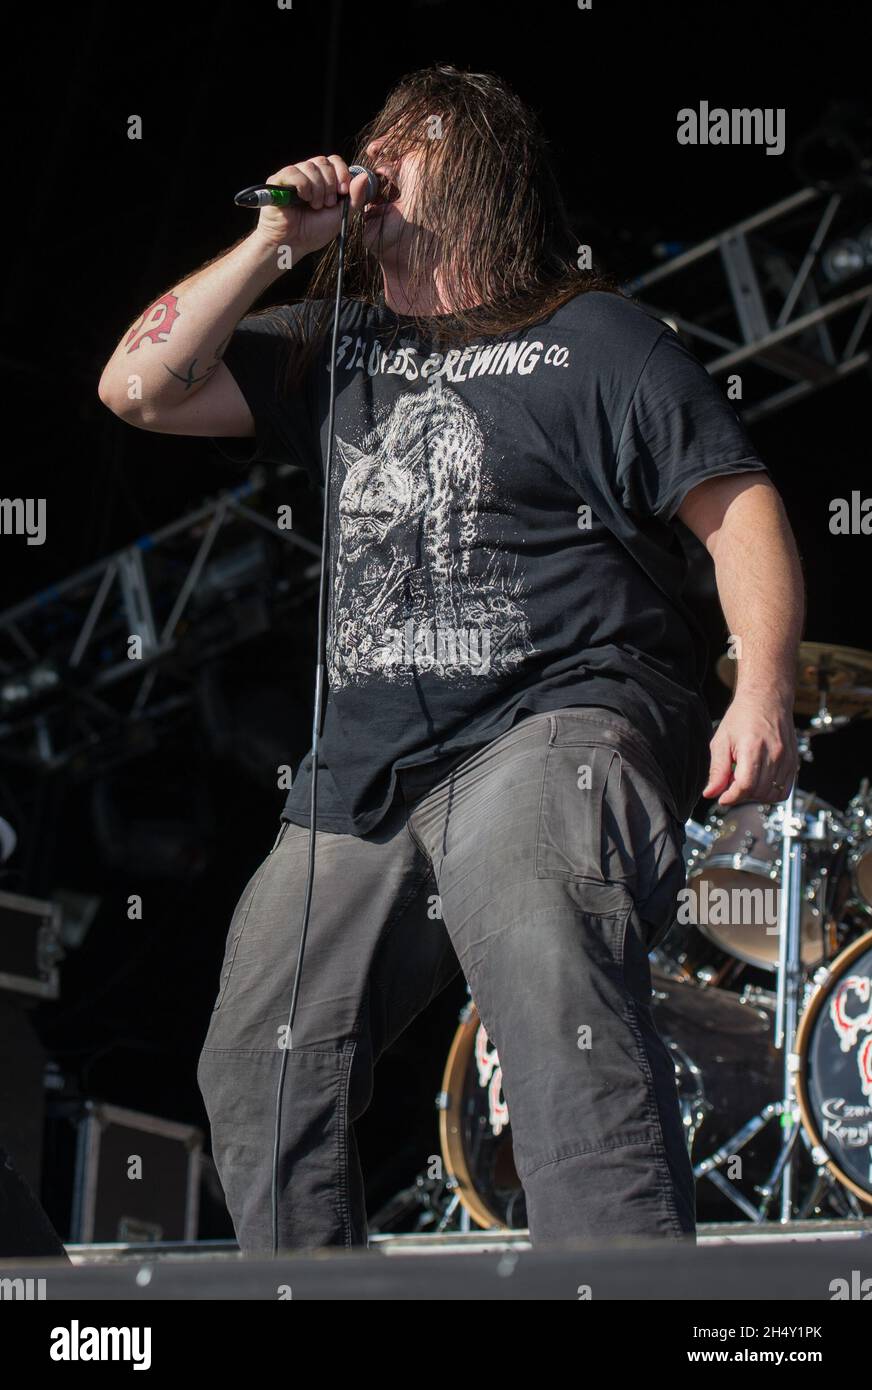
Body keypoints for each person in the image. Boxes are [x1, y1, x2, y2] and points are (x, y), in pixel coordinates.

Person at [98, 64, 804, 1252]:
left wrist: (764, 686)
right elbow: (136, 388)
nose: (369, 160)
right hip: (362, 775)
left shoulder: (596, 337)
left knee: (548, 991)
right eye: (365, 141)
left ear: (472, 170)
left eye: (402, 144)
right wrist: (276, 238)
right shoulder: (332, 345)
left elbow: (738, 511)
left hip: (556, 715)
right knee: (258, 1064)